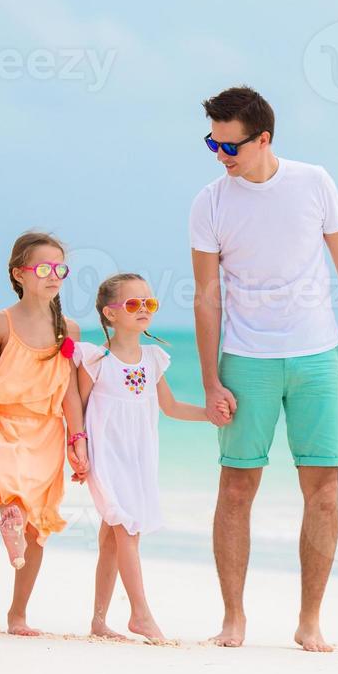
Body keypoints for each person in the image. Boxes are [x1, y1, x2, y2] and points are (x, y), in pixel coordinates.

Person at [190, 85, 338, 653]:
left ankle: (309, 622)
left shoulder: (313, 182)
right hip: (245, 361)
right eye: (213, 144)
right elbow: (206, 297)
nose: (221, 156)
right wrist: (210, 381)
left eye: (230, 146)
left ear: (264, 139)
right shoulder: (210, 202)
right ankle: (233, 620)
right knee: (235, 488)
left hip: (315, 356)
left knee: (324, 489)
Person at [74, 273, 224, 645]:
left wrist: (209, 414)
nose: (143, 309)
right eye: (132, 304)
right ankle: (141, 615)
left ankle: (98, 620)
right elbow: (75, 406)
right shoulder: (96, 358)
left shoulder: (153, 358)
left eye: (149, 303)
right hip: (105, 454)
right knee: (126, 526)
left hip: (139, 455)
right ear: (110, 314)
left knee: (113, 534)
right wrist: (76, 447)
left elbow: (169, 407)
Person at [0, 231, 88, 636]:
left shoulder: (68, 328)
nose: (55, 276)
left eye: (61, 269)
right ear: (20, 273)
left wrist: (77, 440)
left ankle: (18, 615)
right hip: (9, 424)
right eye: (45, 268)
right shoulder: (1, 321)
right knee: (12, 494)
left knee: (38, 527)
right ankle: (8, 517)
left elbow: (69, 391)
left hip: (49, 431)